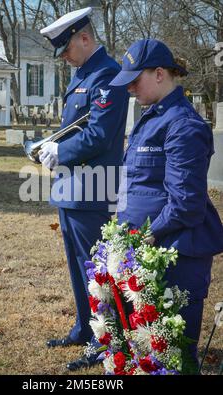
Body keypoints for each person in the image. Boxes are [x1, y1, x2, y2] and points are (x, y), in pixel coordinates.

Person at [110, 38, 223, 371]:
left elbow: (186, 203)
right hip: (148, 253)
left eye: (135, 79)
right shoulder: (154, 115)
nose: (129, 86)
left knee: (171, 357)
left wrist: (147, 234)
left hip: (174, 258)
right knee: (145, 350)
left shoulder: (182, 125)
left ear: (160, 73)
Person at [39, 7, 130, 371]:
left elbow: (99, 134)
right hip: (72, 187)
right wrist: (51, 145)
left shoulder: (106, 74)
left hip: (91, 188)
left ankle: (102, 339)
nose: (63, 56)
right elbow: (76, 128)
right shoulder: (85, 75)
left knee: (94, 268)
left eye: (66, 49)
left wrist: (62, 150)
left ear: (85, 38)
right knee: (78, 268)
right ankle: (84, 327)